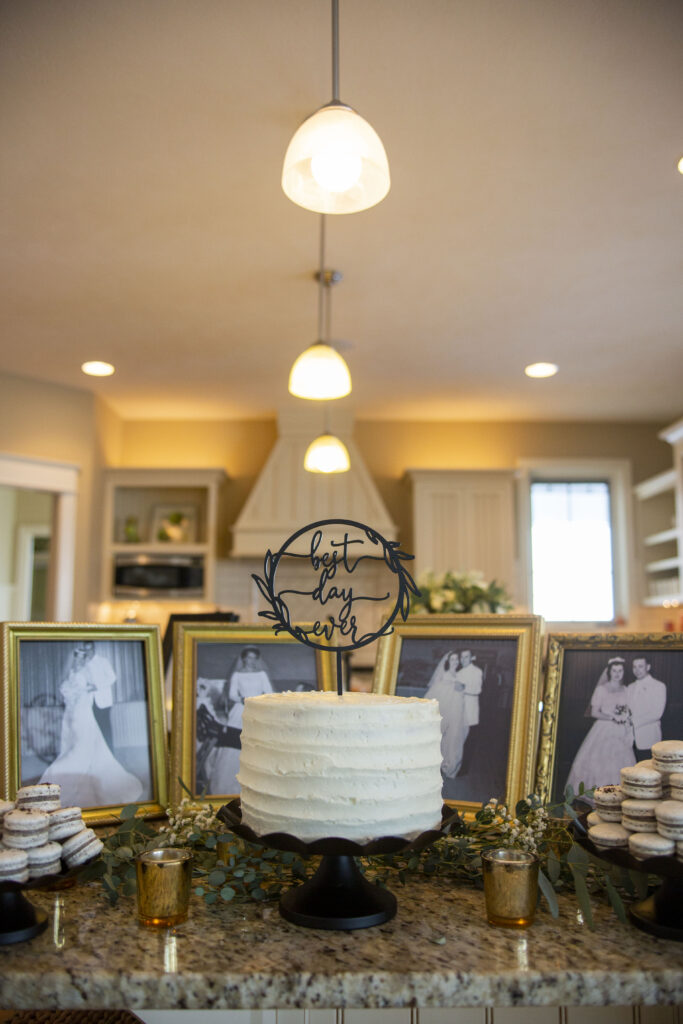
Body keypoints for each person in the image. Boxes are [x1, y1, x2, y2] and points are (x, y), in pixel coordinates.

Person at [40, 646, 143, 807]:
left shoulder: (97, 663)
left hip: (95, 704)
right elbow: (66, 689)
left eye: (85, 654)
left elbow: (109, 678)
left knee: (98, 735)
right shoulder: (78, 670)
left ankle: (99, 757)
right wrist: (79, 692)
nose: (83, 657)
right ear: (76, 657)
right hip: (79, 709)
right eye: (80, 655)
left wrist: (91, 688)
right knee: (85, 738)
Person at [196, 647, 274, 794]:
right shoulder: (237, 675)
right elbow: (232, 694)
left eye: (254, 658)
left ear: (257, 659)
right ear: (243, 658)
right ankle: (227, 783)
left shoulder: (262, 674)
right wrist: (243, 700)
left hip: (257, 709)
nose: (251, 661)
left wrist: (257, 701)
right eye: (248, 658)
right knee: (233, 744)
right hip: (240, 709)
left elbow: (269, 692)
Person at [566, 657, 636, 793]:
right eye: (614, 671)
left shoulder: (626, 690)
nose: (617, 674)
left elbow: (629, 709)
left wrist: (625, 717)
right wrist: (612, 717)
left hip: (621, 730)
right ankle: (597, 792)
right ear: (609, 672)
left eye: (620, 671)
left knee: (619, 762)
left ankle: (616, 793)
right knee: (601, 762)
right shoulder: (601, 689)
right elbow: (594, 712)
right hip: (603, 728)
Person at [425, 651, 468, 778]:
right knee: (438, 734)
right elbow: (434, 692)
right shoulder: (443, 675)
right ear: (448, 661)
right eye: (452, 659)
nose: (455, 661)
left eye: (457, 659)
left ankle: (448, 765)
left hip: (457, 709)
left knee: (453, 737)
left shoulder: (462, 674)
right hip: (444, 707)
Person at [74, 641, 116, 752]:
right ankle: (98, 755)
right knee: (93, 729)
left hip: (103, 701)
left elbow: (112, 677)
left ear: (94, 649)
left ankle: (110, 754)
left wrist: (97, 686)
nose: (88, 652)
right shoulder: (84, 663)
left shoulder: (103, 661)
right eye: (86, 649)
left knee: (105, 728)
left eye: (90, 649)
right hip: (89, 702)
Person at [626, 656, 667, 760]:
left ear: (648, 667)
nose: (637, 670)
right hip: (629, 738)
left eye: (640, 666)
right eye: (634, 667)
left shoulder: (658, 686)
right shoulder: (630, 687)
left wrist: (633, 723)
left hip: (648, 737)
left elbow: (657, 713)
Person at [454, 649, 483, 775]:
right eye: (462, 657)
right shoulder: (459, 672)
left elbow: (477, 689)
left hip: (470, 707)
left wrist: (463, 687)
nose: (463, 659)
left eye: (466, 657)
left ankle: (464, 769)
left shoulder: (477, 671)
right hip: (459, 706)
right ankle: (456, 764)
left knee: (468, 740)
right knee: (458, 738)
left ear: (472, 658)